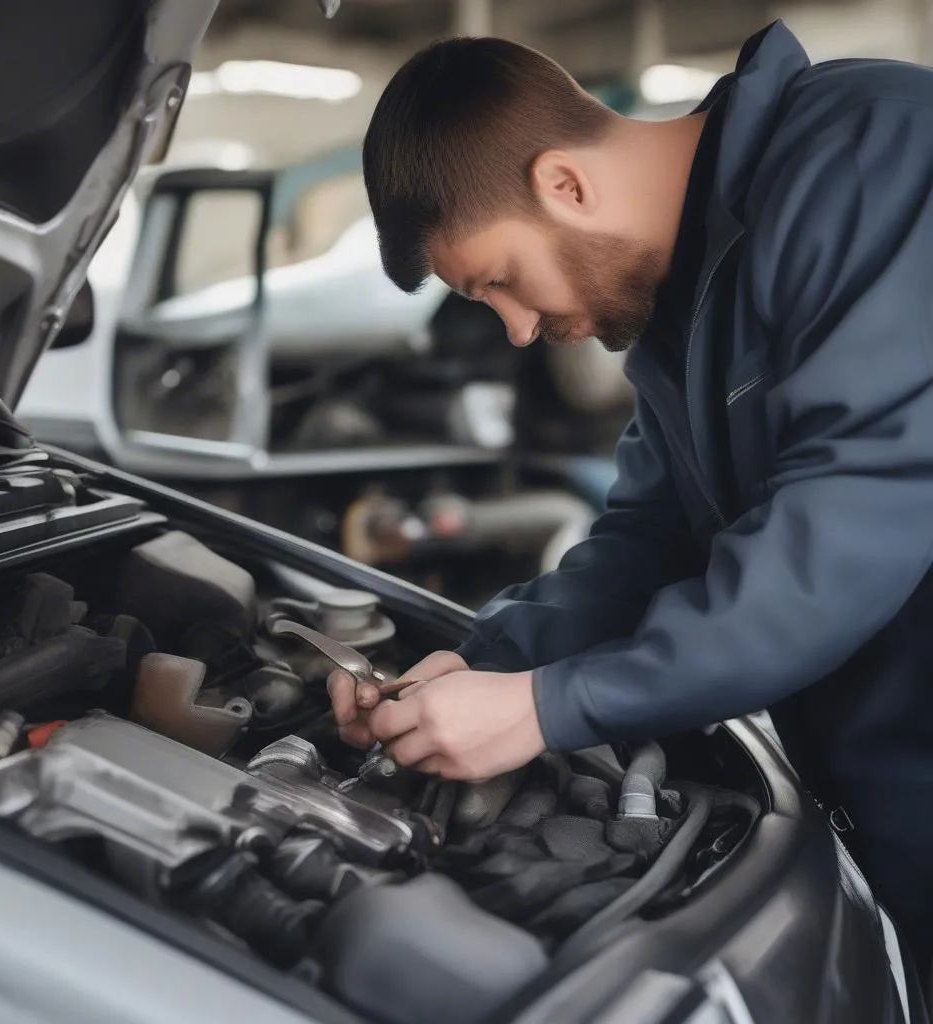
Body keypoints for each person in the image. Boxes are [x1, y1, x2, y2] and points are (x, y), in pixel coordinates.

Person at [327, 20, 933, 968]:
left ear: (564, 184)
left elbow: (851, 517)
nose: (519, 332)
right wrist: (475, 666)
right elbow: (651, 538)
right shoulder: (674, 308)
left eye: (502, 281)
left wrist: (547, 708)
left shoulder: (866, 154)